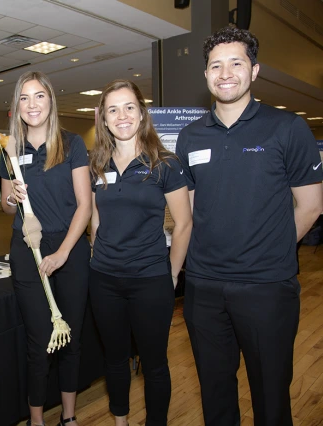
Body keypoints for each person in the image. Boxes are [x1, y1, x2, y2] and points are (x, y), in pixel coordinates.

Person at [175, 26, 323, 426]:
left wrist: (269, 250)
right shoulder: (189, 137)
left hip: (267, 288)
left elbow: (310, 207)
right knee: (215, 391)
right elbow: (189, 212)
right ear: (205, 74)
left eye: (236, 63)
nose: (225, 73)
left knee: (270, 393)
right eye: (215, 65)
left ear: (255, 71)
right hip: (204, 288)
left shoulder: (287, 128)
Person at [89, 80, 192, 426]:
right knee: (115, 360)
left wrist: (172, 274)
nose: (122, 115)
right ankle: (120, 421)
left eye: (129, 107)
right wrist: (95, 255)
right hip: (104, 280)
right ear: (103, 118)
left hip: (150, 280)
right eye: (113, 109)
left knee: (154, 364)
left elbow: (184, 223)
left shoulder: (164, 164)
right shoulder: (97, 164)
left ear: (142, 113)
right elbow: (96, 220)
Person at [0, 71, 91, 426]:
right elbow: (8, 206)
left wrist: (65, 252)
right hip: (27, 248)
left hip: (68, 248)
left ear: (51, 100)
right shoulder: (9, 148)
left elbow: (85, 205)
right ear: (16, 105)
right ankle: (36, 420)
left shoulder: (72, 143)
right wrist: (11, 197)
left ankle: (68, 417)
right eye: (24, 98)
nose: (32, 104)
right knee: (39, 340)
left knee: (71, 336)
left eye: (39, 96)